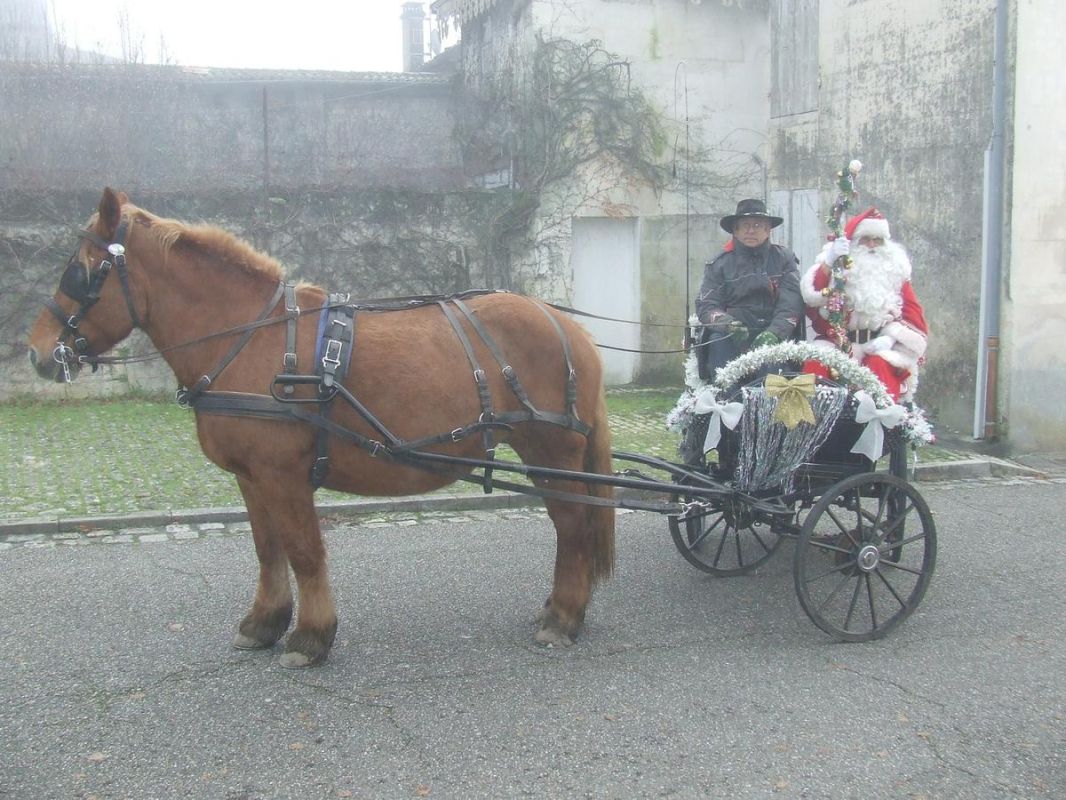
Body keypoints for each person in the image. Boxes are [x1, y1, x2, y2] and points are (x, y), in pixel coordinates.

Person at [800, 208, 928, 401]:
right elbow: (813, 298)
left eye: (878, 240)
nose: (872, 245)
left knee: (880, 368)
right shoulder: (837, 269)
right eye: (865, 239)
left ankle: (881, 418)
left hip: (879, 345)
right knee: (816, 368)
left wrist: (890, 338)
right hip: (837, 345)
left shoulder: (896, 273)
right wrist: (829, 261)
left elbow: (914, 316)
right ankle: (815, 418)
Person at [694, 199, 804, 382]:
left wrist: (774, 333)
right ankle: (727, 397)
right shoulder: (719, 264)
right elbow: (707, 305)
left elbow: (792, 303)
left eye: (757, 225)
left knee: (772, 372)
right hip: (733, 335)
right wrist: (728, 325)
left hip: (773, 333)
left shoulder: (784, 259)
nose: (751, 230)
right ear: (735, 231)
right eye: (745, 225)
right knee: (718, 343)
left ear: (768, 230)